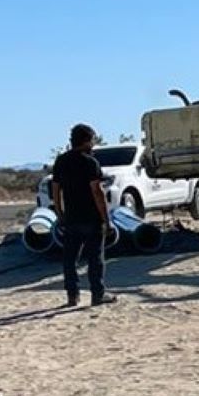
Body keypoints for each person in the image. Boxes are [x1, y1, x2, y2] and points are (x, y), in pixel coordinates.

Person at [49, 123, 113, 309]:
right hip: (92, 217)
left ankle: (72, 295)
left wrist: (60, 213)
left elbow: (55, 190)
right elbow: (97, 191)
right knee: (95, 259)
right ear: (87, 141)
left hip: (71, 217)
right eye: (92, 140)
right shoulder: (90, 162)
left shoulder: (61, 161)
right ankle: (97, 294)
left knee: (70, 259)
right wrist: (106, 219)